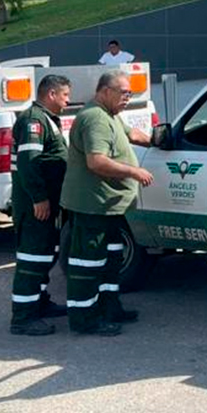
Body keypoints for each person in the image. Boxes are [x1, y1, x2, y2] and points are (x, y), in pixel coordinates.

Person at [61, 70, 154, 336]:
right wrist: (134, 172)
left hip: (110, 206)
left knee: (110, 258)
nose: (128, 97)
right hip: (93, 205)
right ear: (104, 91)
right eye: (124, 93)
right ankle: (84, 319)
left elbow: (132, 133)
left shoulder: (109, 115)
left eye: (130, 93)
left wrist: (159, 139)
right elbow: (96, 161)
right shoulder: (94, 119)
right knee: (87, 262)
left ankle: (110, 307)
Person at [8, 75, 72, 336]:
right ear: (52, 94)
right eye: (66, 95)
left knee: (46, 255)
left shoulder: (47, 119)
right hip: (36, 207)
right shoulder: (34, 121)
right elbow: (29, 162)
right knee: (32, 259)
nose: (68, 100)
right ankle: (23, 318)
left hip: (48, 205)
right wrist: (39, 198)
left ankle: (40, 303)